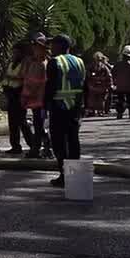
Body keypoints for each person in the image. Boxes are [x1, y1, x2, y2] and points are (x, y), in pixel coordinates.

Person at [45, 33, 87, 187]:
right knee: (73, 140)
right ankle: (74, 177)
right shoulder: (79, 61)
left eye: (53, 45)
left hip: (59, 107)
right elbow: (84, 86)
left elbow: (50, 87)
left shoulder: (54, 62)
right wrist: (84, 107)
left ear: (59, 46)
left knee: (59, 142)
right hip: (75, 108)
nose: (50, 48)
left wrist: (45, 106)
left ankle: (63, 176)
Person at [1, 38, 38, 155]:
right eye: (13, 52)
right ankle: (15, 146)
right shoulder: (12, 63)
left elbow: (25, 78)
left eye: (16, 52)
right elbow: (7, 76)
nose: (14, 54)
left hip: (19, 94)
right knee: (12, 123)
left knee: (22, 122)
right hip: (10, 94)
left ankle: (32, 145)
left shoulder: (25, 64)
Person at [20, 35, 52, 158]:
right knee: (37, 124)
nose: (34, 50)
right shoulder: (32, 62)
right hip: (33, 100)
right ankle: (40, 147)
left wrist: (27, 95)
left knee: (40, 125)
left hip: (41, 100)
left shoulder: (44, 64)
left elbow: (38, 83)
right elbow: (26, 78)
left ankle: (41, 148)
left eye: (37, 47)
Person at [112, 46, 130, 119]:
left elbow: (113, 73)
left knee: (120, 100)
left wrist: (116, 81)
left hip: (120, 86)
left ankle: (119, 114)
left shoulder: (117, 64)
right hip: (129, 86)